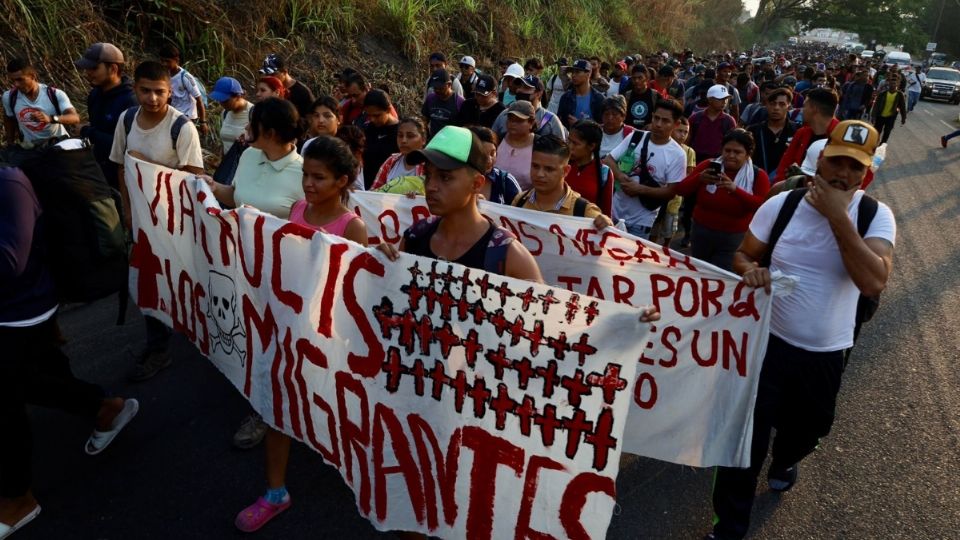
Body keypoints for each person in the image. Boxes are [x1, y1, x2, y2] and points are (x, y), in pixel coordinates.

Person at [708, 120, 894, 540]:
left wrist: (837, 218)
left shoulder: (874, 217)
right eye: (837, 163)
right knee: (741, 445)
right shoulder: (782, 205)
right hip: (763, 347)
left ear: (867, 174)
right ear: (820, 162)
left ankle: (788, 456)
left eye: (855, 168)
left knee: (807, 432)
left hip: (825, 355)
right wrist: (752, 271)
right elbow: (744, 254)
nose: (842, 175)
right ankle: (728, 528)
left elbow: (873, 281)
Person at [235, 135, 367, 533]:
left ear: (342, 181)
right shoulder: (295, 209)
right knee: (278, 409)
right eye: (307, 175)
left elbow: (356, 290)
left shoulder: (353, 227)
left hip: (328, 338)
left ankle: (352, 475)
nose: (309, 184)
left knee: (334, 410)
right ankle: (276, 492)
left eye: (320, 177)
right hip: (286, 330)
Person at [0, 168, 139, 538]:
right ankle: (102, 407)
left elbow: (10, 262)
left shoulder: (9, 184)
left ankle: (17, 499)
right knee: (28, 383)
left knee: (7, 402)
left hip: (22, 312)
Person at [108, 60, 204, 382]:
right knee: (150, 283)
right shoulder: (126, 120)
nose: (152, 98)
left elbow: (195, 179)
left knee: (180, 282)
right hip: (142, 222)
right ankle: (159, 347)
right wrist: (128, 211)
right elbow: (121, 167)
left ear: (170, 92)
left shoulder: (182, 128)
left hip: (175, 222)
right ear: (134, 88)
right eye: (145, 91)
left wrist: (150, 166)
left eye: (159, 92)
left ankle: (194, 335)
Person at [649, 129, 769, 270]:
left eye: (737, 152)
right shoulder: (708, 166)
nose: (730, 156)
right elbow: (680, 190)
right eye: (727, 150)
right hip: (701, 233)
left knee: (720, 275)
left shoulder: (758, 176)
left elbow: (762, 207)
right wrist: (699, 179)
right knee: (697, 272)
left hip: (733, 238)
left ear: (748, 154)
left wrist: (735, 190)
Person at [203, 97, 304, 219]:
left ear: (270, 133)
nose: (246, 127)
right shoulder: (249, 154)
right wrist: (214, 187)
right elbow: (237, 197)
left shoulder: (304, 173)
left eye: (253, 123)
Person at [603, 99, 687, 239]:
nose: (659, 124)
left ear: (676, 124)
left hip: (641, 222)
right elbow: (609, 159)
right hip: (613, 213)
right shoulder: (635, 136)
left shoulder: (678, 155)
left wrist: (639, 189)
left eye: (665, 121)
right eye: (656, 118)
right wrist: (619, 175)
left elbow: (671, 192)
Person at [511, 135, 614, 227]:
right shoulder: (520, 201)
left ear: (566, 171)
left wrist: (606, 225)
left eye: (549, 169)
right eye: (535, 166)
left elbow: (611, 243)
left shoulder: (585, 212)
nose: (540, 174)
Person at [74, 42, 137, 186]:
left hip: (124, 176)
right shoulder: (94, 95)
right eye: (87, 68)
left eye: (94, 68)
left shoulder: (131, 101)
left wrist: (87, 131)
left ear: (113, 69)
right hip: (100, 172)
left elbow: (129, 146)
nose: (88, 73)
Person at [3, 58, 80, 147]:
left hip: (58, 146)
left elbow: (75, 118)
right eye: (13, 80)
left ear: (33, 76)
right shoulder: (9, 97)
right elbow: (9, 118)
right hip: (31, 149)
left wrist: (50, 119)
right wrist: (10, 143)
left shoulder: (55, 94)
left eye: (20, 79)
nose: (16, 84)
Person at [775, 88, 839, 184]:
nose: (801, 110)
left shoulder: (843, 136)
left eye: (804, 106)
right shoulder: (801, 133)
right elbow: (783, 167)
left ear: (814, 109)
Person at [490, 76, 566, 141]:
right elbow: (493, 141)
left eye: (526, 87)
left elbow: (561, 152)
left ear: (539, 93)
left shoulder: (551, 121)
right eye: (519, 86)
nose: (519, 90)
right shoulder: (504, 115)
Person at [565, 120, 614, 216]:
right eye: (569, 141)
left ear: (591, 146)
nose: (569, 146)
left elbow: (606, 214)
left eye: (575, 143)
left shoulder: (603, 173)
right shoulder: (560, 165)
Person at [747, 87, 797, 181]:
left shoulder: (797, 131)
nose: (776, 108)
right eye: (773, 104)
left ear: (789, 106)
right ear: (766, 105)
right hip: (756, 182)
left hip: (785, 184)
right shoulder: (753, 130)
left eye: (782, 104)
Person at [158, 45, 207, 135]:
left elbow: (199, 99)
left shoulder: (185, 77)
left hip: (187, 116)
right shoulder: (165, 75)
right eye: (162, 61)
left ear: (177, 60)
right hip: (174, 114)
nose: (164, 64)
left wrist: (203, 122)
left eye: (167, 61)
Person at [370, 116, 427, 192]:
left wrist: (418, 197)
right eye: (400, 135)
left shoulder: (429, 166)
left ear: (423, 139)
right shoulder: (391, 161)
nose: (403, 140)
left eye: (410, 136)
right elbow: (374, 193)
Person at [468, 125, 521, 204]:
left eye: (492, 153)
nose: (489, 160)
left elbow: (520, 213)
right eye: (483, 155)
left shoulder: (506, 181)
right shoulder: (456, 179)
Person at [494, 100, 537, 190]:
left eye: (519, 121)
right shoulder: (497, 140)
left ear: (531, 123)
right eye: (510, 119)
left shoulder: (539, 145)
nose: (512, 124)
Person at [361, 89, 400, 189]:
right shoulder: (368, 129)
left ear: (388, 110)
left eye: (377, 115)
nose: (372, 119)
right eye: (369, 115)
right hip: (368, 188)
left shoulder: (401, 133)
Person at [259, 53, 315, 120]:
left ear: (285, 72)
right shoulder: (269, 90)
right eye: (267, 74)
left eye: (273, 74)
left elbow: (311, 118)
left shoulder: (302, 92)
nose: (269, 77)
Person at [209, 77, 253, 155]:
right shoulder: (225, 113)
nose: (222, 104)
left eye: (225, 100)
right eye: (220, 100)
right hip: (229, 163)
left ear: (238, 96)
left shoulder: (253, 113)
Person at [557, 59, 605, 127]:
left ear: (588, 74)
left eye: (577, 72)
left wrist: (580, 124)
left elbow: (604, 126)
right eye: (572, 72)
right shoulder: (566, 98)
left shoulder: (599, 99)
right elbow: (560, 123)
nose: (573, 75)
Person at [421, 69, 464, 137]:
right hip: (433, 142)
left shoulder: (459, 102)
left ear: (449, 84)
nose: (437, 90)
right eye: (435, 88)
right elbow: (424, 119)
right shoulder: (430, 98)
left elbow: (463, 128)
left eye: (440, 88)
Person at [870, 72, 906, 145]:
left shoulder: (899, 95)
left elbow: (902, 107)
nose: (893, 85)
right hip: (880, 116)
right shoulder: (882, 94)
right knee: (877, 131)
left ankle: (882, 145)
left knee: (887, 132)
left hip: (891, 117)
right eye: (891, 83)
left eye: (894, 84)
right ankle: (874, 144)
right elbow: (876, 105)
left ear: (897, 85)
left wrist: (903, 118)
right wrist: (873, 116)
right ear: (888, 84)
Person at [623, 64, 659, 129]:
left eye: (640, 78)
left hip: (648, 134)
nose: (637, 81)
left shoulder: (655, 95)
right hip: (630, 134)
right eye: (634, 78)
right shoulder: (626, 95)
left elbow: (661, 115)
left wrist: (652, 125)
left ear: (647, 78)